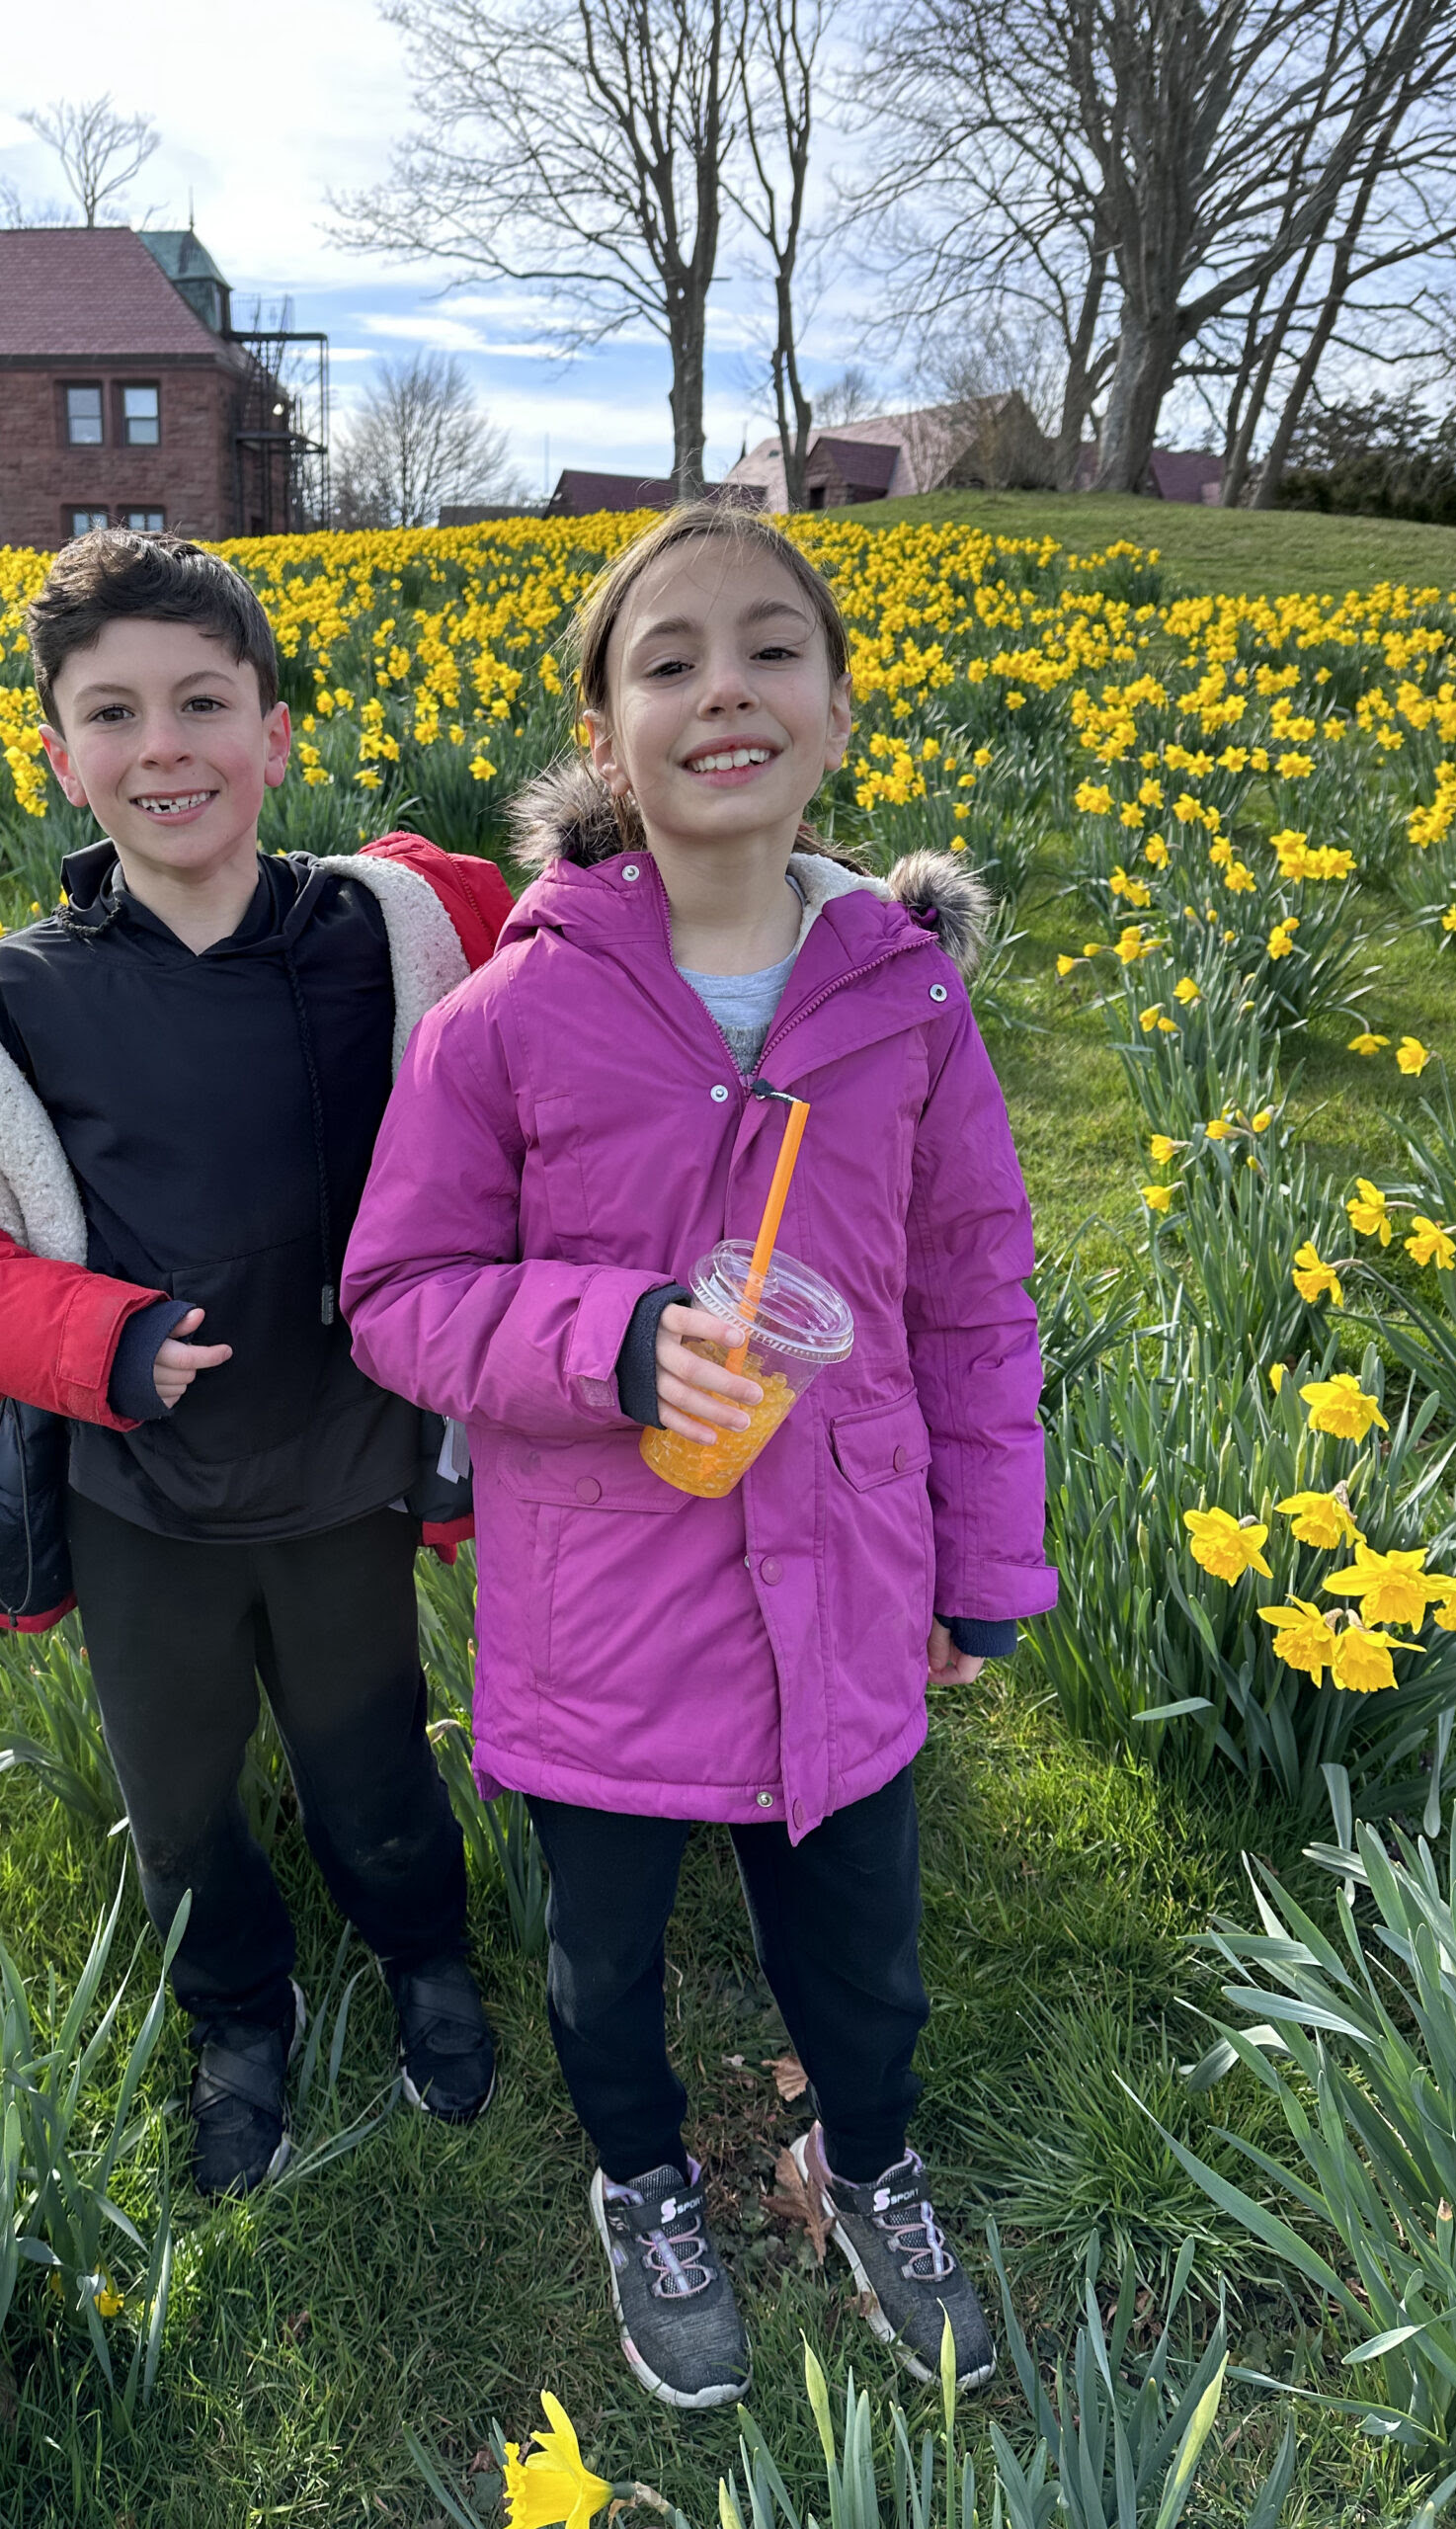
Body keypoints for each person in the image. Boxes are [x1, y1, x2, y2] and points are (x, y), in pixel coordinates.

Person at [342, 505, 1055, 2408]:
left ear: (834, 712)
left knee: (867, 1958)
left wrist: (988, 1563)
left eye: (769, 652)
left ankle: (868, 2157)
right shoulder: (510, 1016)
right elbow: (399, 1293)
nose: (721, 689)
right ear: (606, 726)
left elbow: (978, 1300)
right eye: (667, 660)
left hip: (849, 1579)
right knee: (604, 1970)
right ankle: (643, 2182)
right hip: (604, 1602)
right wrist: (622, 1337)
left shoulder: (907, 1002)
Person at [0, 529, 514, 2196]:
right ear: (59, 757)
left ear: (277, 732)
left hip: (350, 1470)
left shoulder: (397, 933)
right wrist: (97, 1342)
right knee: (180, 1790)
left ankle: (424, 1953)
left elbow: (625, 914)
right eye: (113, 714)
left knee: (376, 1757)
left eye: (204, 702)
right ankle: (238, 2017)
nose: (164, 748)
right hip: (139, 1495)